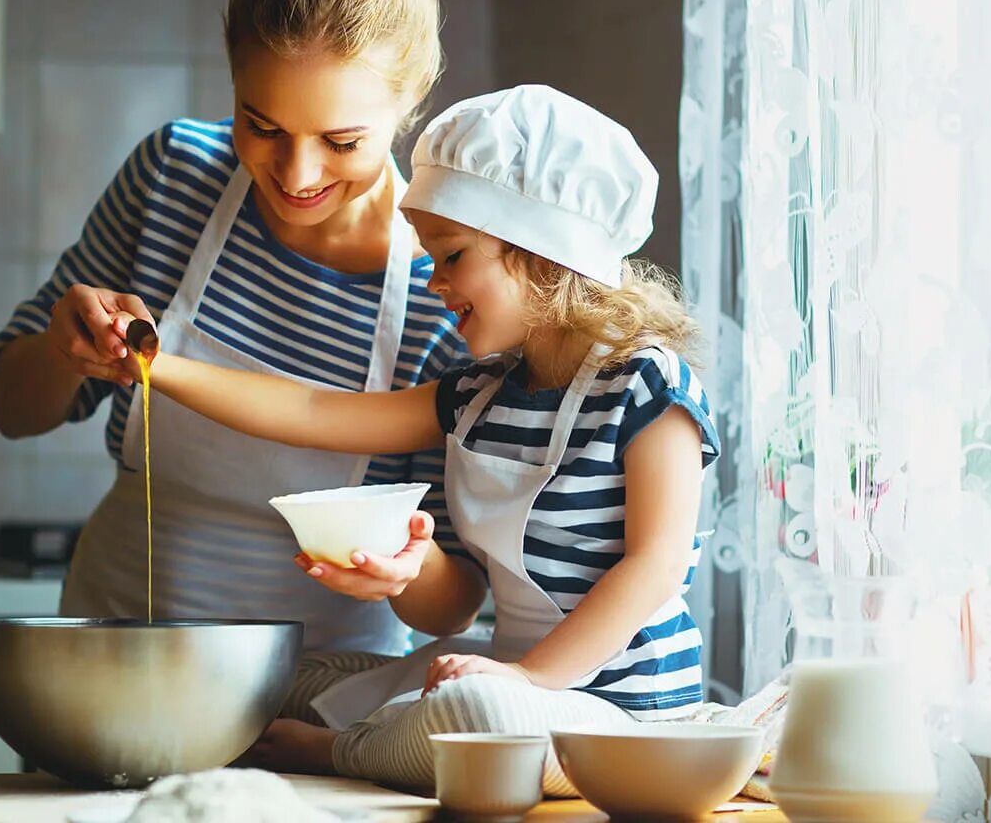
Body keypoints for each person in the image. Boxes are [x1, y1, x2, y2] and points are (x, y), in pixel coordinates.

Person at [131, 85, 722, 795]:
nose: (435, 282)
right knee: (292, 673)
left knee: (479, 710)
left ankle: (336, 752)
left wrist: (530, 678)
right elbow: (316, 411)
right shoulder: (479, 394)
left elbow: (654, 567)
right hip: (510, 681)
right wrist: (153, 365)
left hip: (621, 719)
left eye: (452, 256)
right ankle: (381, 732)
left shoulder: (648, 387)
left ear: (537, 250)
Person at [0, 0, 481, 676]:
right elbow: (13, 410)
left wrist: (404, 571)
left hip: (319, 698)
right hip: (112, 659)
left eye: (343, 140)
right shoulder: (174, 178)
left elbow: (454, 598)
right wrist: (59, 347)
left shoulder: (446, 283)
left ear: (410, 102)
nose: (295, 173)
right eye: (263, 124)